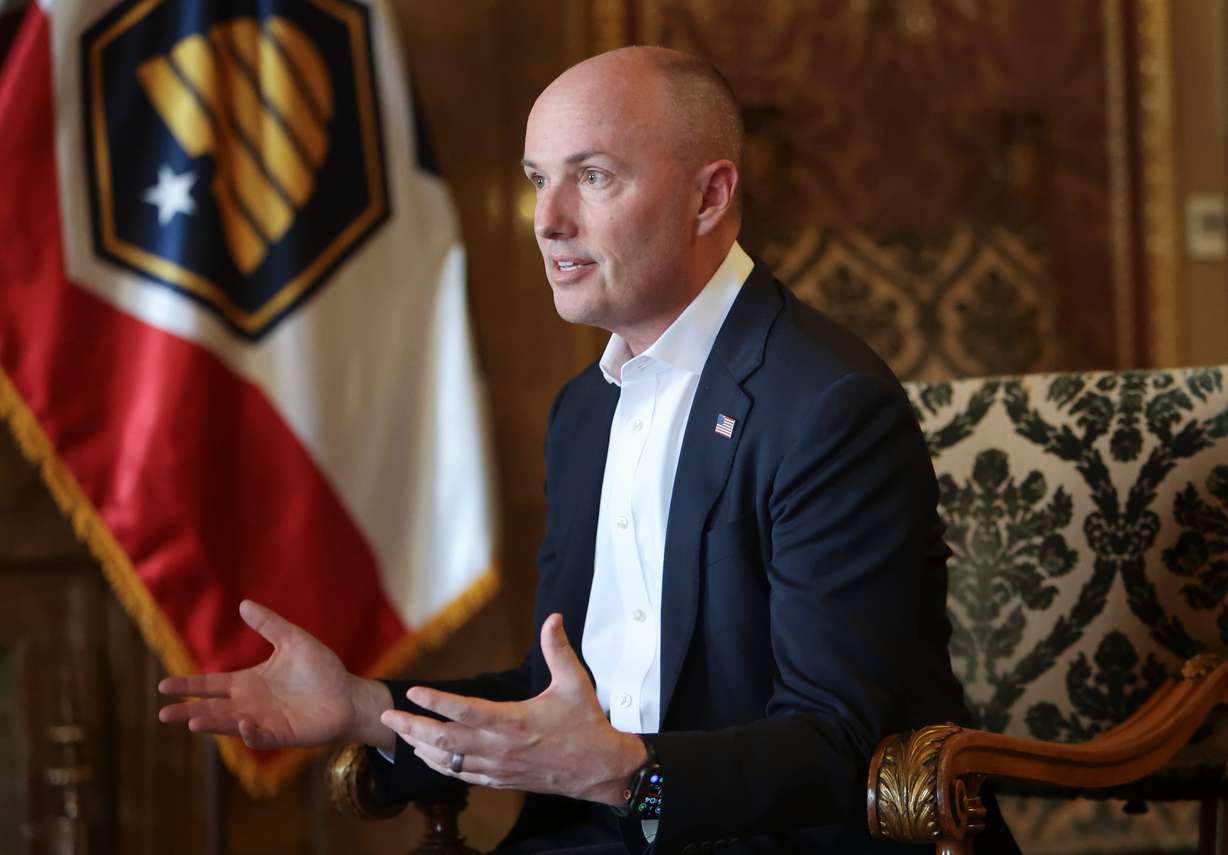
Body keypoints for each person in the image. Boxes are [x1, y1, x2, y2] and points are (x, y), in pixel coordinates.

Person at [159, 47, 1019, 854]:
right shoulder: (584, 411)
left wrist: (627, 779)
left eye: (593, 177)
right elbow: (554, 695)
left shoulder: (828, 408)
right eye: (538, 180)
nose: (547, 221)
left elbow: (840, 748)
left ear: (709, 197)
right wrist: (367, 708)